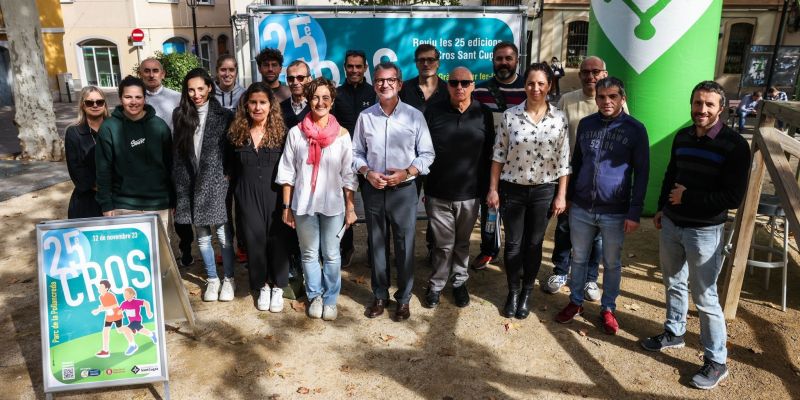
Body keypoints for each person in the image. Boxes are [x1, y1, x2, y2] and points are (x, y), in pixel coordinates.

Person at [640, 81, 751, 390]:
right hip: (673, 225)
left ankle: (717, 361)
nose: (701, 110)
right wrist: (663, 206)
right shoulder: (683, 136)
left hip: (705, 232)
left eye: (709, 105)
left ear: (722, 108)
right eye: (697, 103)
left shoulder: (735, 146)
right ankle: (674, 333)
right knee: (673, 282)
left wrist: (687, 198)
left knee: (705, 297)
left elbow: (732, 197)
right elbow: (671, 175)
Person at [554, 77, 650, 335]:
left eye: (612, 97)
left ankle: (608, 308)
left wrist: (634, 211)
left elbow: (642, 173)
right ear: (595, 99)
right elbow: (576, 161)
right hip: (582, 208)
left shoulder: (635, 129)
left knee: (611, 262)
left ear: (622, 99)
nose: (606, 102)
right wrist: (570, 197)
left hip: (615, 211)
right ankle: (575, 302)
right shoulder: (586, 124)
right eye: (601, 97)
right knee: (580, 257)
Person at [487, 63, 570, 320]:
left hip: (544, 191)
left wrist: (561, 195)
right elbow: (498, 155)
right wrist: (493, 189)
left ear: (549, 86)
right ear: (525, 85)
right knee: (513, 245)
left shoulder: (559, 119)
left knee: (534, 245)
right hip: (513, 189)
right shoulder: (510, 116)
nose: (536, 88)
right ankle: (512, 291)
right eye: (531, 83)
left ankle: (526, 293)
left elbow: (564, 159)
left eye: (541, 83)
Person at [353, 62, 435, 321]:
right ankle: (379, 295)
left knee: (405, 245)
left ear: (399, 84)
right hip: (374, 190)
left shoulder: (414, 116)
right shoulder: (365, 117)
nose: (384, 85)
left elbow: (427, 154)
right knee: (377, 243)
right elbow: (355, 153)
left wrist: (407, 172)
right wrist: (367, 172)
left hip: (403, 190)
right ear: (373, 83)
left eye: (390, 80)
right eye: (379, 80)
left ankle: (404, 298)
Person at [276, 77, 358, 321]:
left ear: (332, 102)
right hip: (303, 205)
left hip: (333, 206)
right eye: (315, 97)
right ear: (308, 100)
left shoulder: (343, 136)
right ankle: (315, 296)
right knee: (309, 254)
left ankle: (331, 299)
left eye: (325, 98)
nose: (320, 102)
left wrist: (350, 207)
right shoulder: (296, 134)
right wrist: (287, 206)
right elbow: (287, 172)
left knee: (332, 255)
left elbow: (348, 176)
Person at [545, 56, 617, 300]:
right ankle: (560, 271)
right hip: (571, 174)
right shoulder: (567, 99)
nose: (590, 76)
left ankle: (589, 279)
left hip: (601, 178)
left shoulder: (613, 100)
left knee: (596, 232)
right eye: (585, 71)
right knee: (565, 227)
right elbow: (558, 137)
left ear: (604, 73)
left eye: (596, 71)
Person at [422, 66, 494, 309]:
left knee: (462, 243)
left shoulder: (484, 114)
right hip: (438, 192)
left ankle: (459, 281)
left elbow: (490, 154)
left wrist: (488, 189)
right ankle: (437, 284)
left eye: (465, 83)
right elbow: (422, 152)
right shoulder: (432, 111)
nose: (460, 87)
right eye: (454, 83)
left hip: (470, 194)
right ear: (448, 85)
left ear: (473, 85)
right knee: (443, 245)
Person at [172, 68, 236, 302]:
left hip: (217, 182)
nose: (196, 94)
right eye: (191, 89)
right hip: (191, 182)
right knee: (202, 235)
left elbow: (231, 150)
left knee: (222, 233)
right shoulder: (180, 114)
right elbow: (178, 155)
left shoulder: (225, 115)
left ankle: (229, 278)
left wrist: (228, 174)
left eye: (200, 88)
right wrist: (179, 188)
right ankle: (212, 278)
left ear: (210, 87)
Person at [229, 82, 293, 312]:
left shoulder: (282, 134)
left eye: (262, 102)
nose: (257, 107)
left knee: (278, 240)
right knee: (254, 241)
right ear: (246, 105)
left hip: (275, 195)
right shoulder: (236, 133)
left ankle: (278, 285)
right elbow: (230, 168)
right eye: (253, 102)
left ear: (271, 105)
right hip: (246, 195)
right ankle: (262, 285)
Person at [471, 41, 527, 270]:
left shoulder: (528, 88)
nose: (503, 63)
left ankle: (517, 253)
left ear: (517, 61)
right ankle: (489, 249)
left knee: (517, 211)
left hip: (520, 162)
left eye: (508, 58)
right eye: (499, 59)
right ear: (493, 61)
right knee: (490, 208)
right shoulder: (480, 91)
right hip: (488, 161)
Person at [95, 75, 173, 233]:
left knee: (159, 255)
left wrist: (173, 200)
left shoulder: (159, 126)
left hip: (158, 204)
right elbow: (103, 170)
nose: (133, 102)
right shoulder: (109, 128)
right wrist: (106, 204)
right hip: (123, 205)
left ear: (145, 98)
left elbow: (170, 166)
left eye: (138, 97)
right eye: (128, 97)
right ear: (120, 98)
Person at [138, 57, 193, 267]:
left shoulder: (177, 98)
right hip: (149, 164)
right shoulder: (137, 98)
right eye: (146, 71)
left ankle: (185, 247)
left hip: (176, 160)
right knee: (157, 210)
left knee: (180, 209)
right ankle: (161, 253)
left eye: (155, 70)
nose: (151, 75)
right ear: (141, 74)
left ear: (163, 74)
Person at [332, 49, 376, 267]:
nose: (354, 70)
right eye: (350, 66)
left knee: (372, 206)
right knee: (344, 207)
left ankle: (373, 248)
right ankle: (346, 247)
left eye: (359, 66)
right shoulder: (336, 94)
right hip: (343, 159)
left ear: (365, 68)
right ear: (345, 68)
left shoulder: (374, 93)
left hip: (370, 160)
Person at [65, 86, 108, 219]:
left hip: (117, 197)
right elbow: (76, 168)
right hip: (88, 199)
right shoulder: (73, 132)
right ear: (83, 105)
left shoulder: (115, 127)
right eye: (90, 102)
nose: (95, 105)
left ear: (105, 104)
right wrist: (102, 188)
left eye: (99, 102)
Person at [399, 44, 449, 113]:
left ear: (438, 63)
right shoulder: (403, 88)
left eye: (430, 60)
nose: (425, 64)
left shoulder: (448, 90)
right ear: (416, 64)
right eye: (422, 60)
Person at [117, 287, 157, 356]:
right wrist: (118, 313)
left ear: (132, 294)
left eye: (127, 294)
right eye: (124, 294)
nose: (125, 296)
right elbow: (119, 311)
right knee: (141, 330)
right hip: (131, 322)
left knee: (126, 330)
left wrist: (148, 312)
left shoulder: (136, 302)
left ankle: (133, 345)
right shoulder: (124, 304)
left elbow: (146, 303)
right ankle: (152, 334)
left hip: (137, 320)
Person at [91, 280, 123, 358]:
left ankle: (131, 329)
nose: (100, 288)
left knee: (120, 330)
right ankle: (105, 350)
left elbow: (115, 305)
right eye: (100, 286)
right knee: (105, 332)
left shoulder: (110, 295)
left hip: (116, 315)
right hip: (109, 316)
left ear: (106, 288)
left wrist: (103, 308)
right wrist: (98, 310)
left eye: (102, 287)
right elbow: (104, 307)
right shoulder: (101, 297)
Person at [280, 60, 312, 130]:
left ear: (309, 79)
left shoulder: (317, 106)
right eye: (291, 79)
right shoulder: (280, 108)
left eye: (300, 78)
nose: (295, 82)